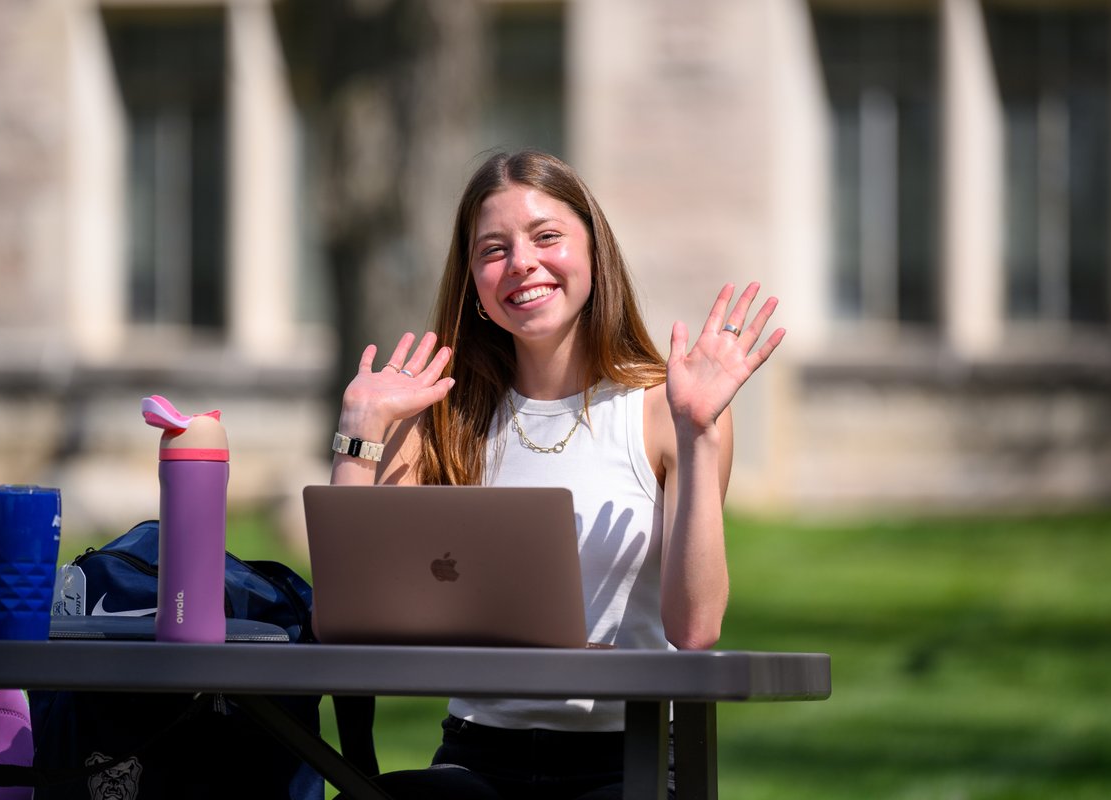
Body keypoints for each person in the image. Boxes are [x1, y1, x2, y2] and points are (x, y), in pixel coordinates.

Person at [330, 150, 784, 799]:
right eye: (494, 249)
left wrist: (701, 434)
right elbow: (354, 618)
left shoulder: (665, 412)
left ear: (595, 258)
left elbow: (696, 629)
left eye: (547, 237)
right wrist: (358, 435)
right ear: (475, 286)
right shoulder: (438, 417)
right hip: (475, 757)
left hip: (633, 757)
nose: (521, 264)